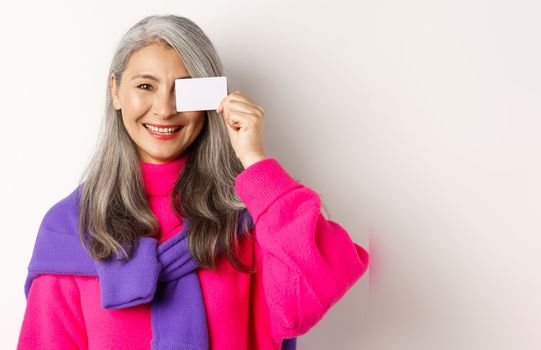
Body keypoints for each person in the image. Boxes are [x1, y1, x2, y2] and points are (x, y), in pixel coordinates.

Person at [17, 14, 369, 350]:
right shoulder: (70, 228)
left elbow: (317, 281)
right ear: (115, 91)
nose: (165, 109)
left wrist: (253, 159)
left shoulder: (248, 219)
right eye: (145, 86)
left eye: (183, 90)